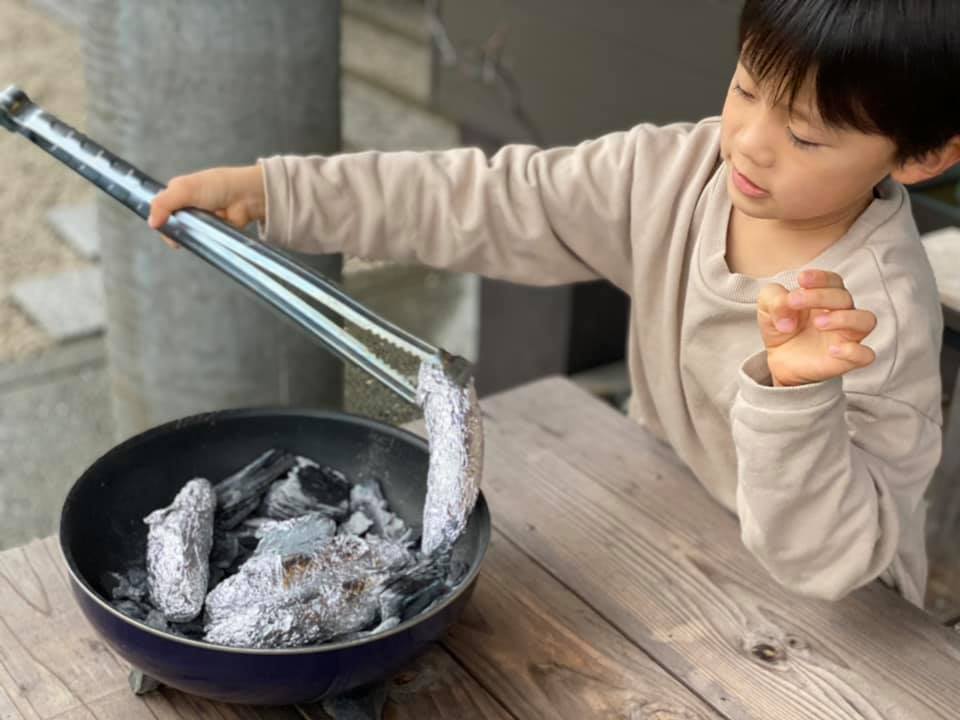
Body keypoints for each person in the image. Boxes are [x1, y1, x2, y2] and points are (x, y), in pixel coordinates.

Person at [149, 0, 960, 606]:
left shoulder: (869, 318)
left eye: (809, 135)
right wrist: (278, 192)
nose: (750, 141)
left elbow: (831, 560)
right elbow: (495, 198)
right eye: (748, 88)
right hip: (669, 521)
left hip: (835, 620)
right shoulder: (676, 174)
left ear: (921, 157)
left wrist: (796, 394)